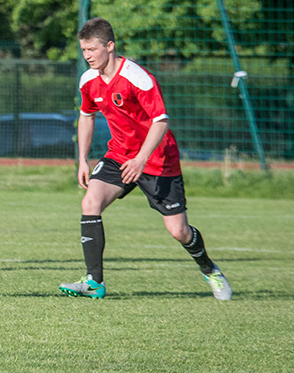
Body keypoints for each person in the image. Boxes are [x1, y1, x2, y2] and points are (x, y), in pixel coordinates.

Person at [59, 17, 232, 300]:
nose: (87, 56)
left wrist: (140, 159)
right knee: (90, 201)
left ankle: (210, 269)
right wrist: (82, 160)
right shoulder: (88, 80)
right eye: (84, 50)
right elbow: (86, 116)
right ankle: (94, 282)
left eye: (92, 49)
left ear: (110, 46)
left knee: (179, 231)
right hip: (118, 155)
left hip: (157, 160)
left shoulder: (137, 78)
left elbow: (161, 121)